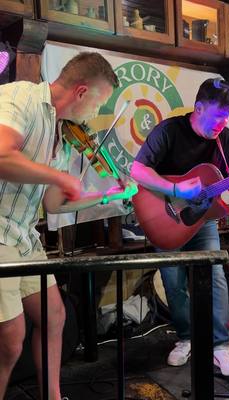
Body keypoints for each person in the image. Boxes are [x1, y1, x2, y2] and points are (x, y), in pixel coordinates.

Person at [0, 51, 119, 400]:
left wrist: (105, 198)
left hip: (23, 238)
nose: (96, 116)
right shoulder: (21, 96)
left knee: (54, 315)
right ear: (82, 93)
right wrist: (57, 175)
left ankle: (52, 397)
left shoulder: (60, 133)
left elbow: (52, 203)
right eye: (99, 106)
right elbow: (2, 154)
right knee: (10, 339)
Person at [130, 78, 229, 376]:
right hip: (165, 218)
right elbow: (137, 170)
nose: (220, 125)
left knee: (215, 276)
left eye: (224, 119)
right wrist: (176, 190)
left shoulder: (226, 137)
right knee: (174, 283)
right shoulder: (169, 131)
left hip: (203, 221)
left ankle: (219, 346)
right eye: (216, 118)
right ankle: (185, 338)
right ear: (198, 108)